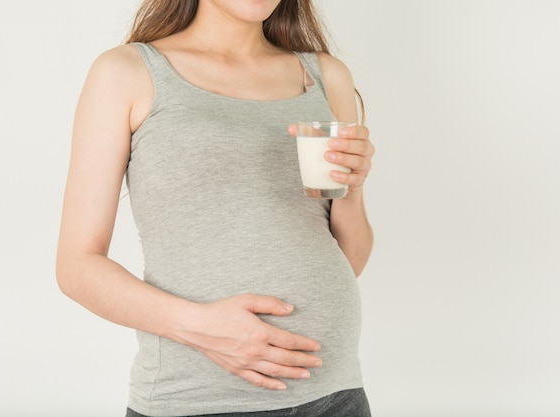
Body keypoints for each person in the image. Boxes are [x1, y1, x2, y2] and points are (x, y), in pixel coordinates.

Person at [56, 0, 375, 416]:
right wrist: (203, 329)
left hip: (337, 395)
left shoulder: (324, 75)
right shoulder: (126, 72)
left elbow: (348, 259)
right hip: (198, 399)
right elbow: (76, 266)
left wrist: (353, 187)